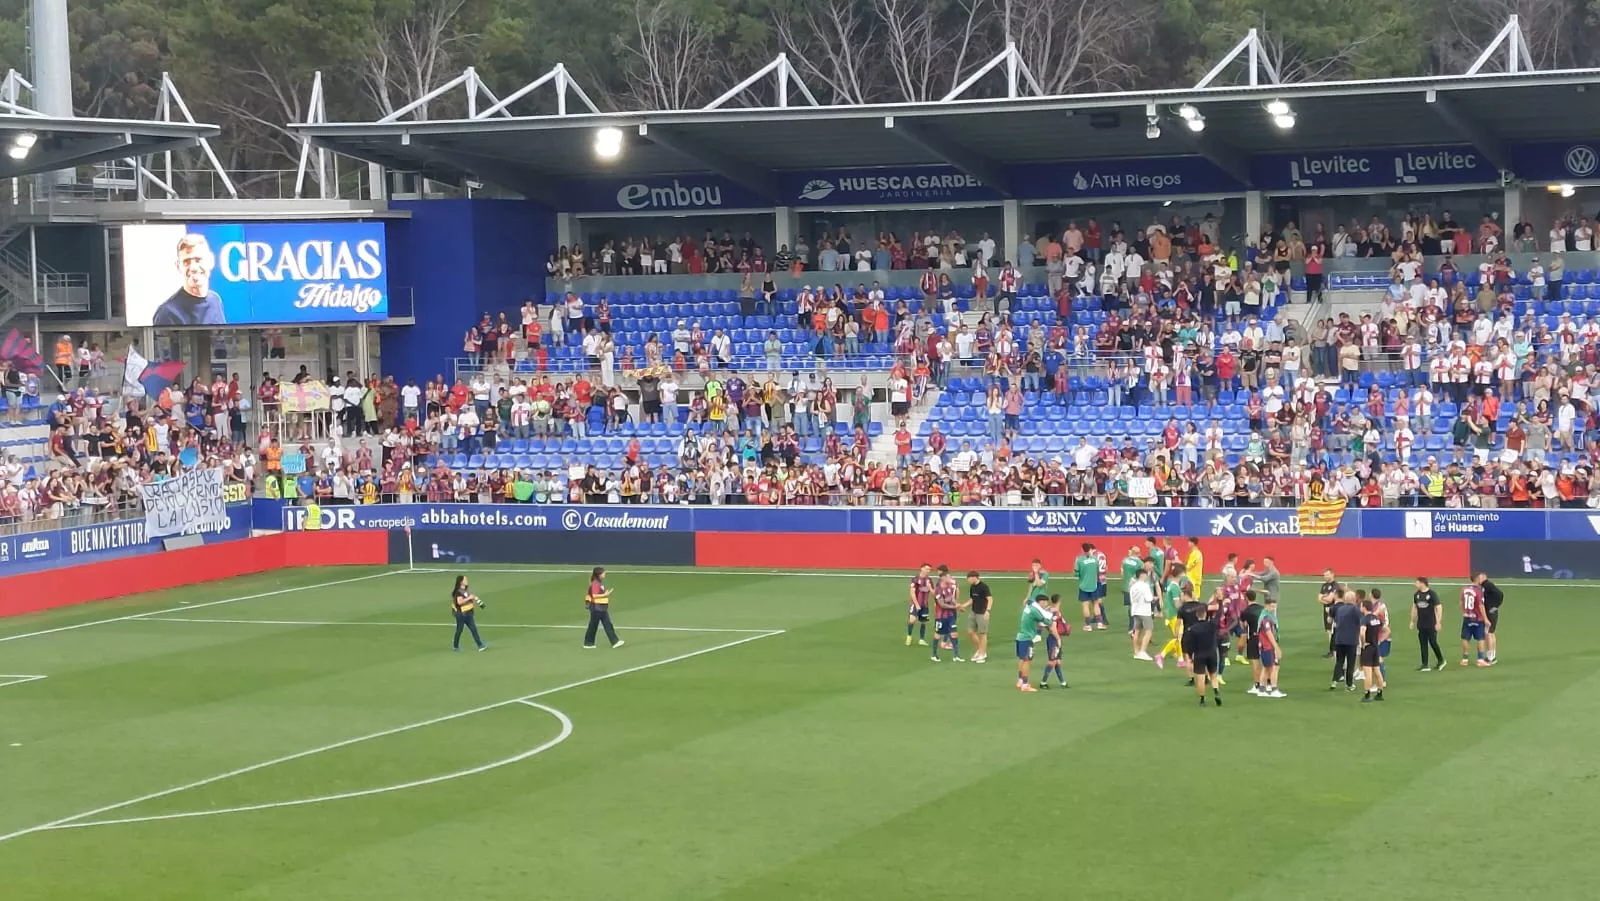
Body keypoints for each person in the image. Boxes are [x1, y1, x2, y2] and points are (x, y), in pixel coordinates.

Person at [150, 233, 227, 326]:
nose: (193, 267)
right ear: (178, 267)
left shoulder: (215, 301)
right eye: (186, 262)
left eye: (198, 260)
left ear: (211, 261)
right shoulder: (167, 314)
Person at [1184, 601, 1223, 707]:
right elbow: (1219, 614)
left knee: (1200, 678)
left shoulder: (1192, 629)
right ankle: (1216, 692)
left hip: (1199, 655)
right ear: (1205, 614)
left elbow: (1189, 645)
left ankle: (1202, 699)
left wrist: (1189, 657)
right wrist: (1220, 602)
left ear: (1197, 616)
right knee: (1213, 675)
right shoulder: (1212, 625)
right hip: (1212, 653)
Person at [1015, 594, 1056, 692]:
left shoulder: (1029, 608)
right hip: (1027, 638)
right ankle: (1025, 684)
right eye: (1045, 602)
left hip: (1020, 637)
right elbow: (1046, 621)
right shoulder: (1035, 611)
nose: (1046, 604)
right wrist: (1053, 617)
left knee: (1021, 659)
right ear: (1041, 602)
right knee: (1027, 661)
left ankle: (1020, 680)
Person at [583, 566, 625, 649]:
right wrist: (605, 594)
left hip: (600, 608)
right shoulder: (595, 583)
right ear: (599, 574)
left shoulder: (597, 583)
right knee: (602, 625)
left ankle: (589, 643)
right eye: (603, 573)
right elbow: (594, 595)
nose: (605, 574)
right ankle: (613, 641)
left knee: (598, 625)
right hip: (597, 608)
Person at [1411, 576, 1446, 671]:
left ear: (1422, 583)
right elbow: (1414, 608)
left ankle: (1441, 660)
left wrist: (1438, 622)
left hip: (1431, 623)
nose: (1415, 584)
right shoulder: (1416, 595)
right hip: (1421, 623)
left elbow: (1439, 607)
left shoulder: (1432, 594)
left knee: (1433, 642)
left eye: (1417, 582)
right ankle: (1425, 664)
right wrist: (1412, 621)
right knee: (1423, 643)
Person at [1329, 590, 1362, 691]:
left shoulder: (1340, 609)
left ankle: (1334, 681)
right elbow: (1361, 621)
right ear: (1354, 599)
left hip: (1339, 639)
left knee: (1339, 661)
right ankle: (1349, 684)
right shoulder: (1355, 609)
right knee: (1350, 663)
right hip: (1351, 640)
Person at [930, 564, 963, 662]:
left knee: (954, 634)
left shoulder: (948, 587)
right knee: (937, 635)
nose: (950, 578)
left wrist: (958, 605)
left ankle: (956, 656)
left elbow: (951, 598)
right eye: (948, 577)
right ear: (943, 578)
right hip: (941, 616)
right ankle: (934, 655)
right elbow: (942, 604)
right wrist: (954, 607)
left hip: (950, 615)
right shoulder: (938, 590)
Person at [1359, 598, 1388, 703]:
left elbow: (1362, 633)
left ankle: (1367, 694)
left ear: (1364, 607)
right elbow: (1386, 630)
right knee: (1377, 671)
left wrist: (1363, 644)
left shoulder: (1365, 619)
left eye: (1361, 606)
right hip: (1376, 647)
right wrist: (1379, 640)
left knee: (1368, 673)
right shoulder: (1376, 619)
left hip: (1368, 647)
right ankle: (1380, 693)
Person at [1039, 594, 1070, 689]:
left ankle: (1062, 682)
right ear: (1059, 601)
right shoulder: (1055, 613)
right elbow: (1053, 628)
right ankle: (1043, 682)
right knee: (1052, 661)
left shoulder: (1048, 609)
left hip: (1053, 637)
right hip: (1054, 639)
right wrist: (1058, 639)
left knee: (1057, 661)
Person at [450, 574, 487, 652]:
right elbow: (459, 602)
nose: (467, 581)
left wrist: (475, 600)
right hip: (461, 614)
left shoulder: (465, 591)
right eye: (465, 580)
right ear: (461, 582)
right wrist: (469, 598)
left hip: (468, 613)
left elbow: (468, 599)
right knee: (459, 630)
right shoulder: (458, 592)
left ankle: (480, 645)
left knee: (473, 629)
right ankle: (455, 646)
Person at [1257, 597, 1285, 698]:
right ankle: (1273, 689)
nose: (1273, 609)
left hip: (1266, 646)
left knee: (1267, 667)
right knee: (1273, 667)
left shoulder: (1266, 616)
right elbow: (1269, 634)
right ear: (1266, 606)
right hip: (1267, 646)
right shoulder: (1266, 619)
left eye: (1275, 606)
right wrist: (1276, 647)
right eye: (1272, 606)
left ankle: (1261, 689)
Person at [1474, 572, 1505, 664]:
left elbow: (1500, 594)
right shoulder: (1485, 586)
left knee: (1488, 634)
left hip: (1490, 613)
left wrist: (1495, 606)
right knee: (1490, 633)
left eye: (1479, 577)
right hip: (1490, 612)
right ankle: (1492, 655)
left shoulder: (1488, 584)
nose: (1478, 579)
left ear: (1483, 577)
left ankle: (1491, 657)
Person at [1460, 579, 1491, 667]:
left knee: (1465, 638)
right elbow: (1481, 605)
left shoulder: (1464, 589)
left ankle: (1464, 659)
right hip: (1478, 618)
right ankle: (1480, 659)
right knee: (1480, 638)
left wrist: (1464, 612)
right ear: (1477, 580)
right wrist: (1485, 619)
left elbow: (1461, 602)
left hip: (1467, 617)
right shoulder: (1478, 590)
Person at [1242, 590, 1266, 694]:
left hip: (1253, 638)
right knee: (1265, 661)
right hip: (1264, 637)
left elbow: (1244, 625)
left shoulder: (1246, 611)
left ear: (1246, 598)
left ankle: (1257, 685)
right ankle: (1267, 683)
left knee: (1255, 662)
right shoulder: (1263, 609)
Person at [1073, 542, 1102, 630]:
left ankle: (1088, 625)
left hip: (1084, 586)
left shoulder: (1079, 560)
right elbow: (1098, 571)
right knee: (1096, 604)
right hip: (1094, 585)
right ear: (1090, 550)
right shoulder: (1095, 559)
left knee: (1085, 605)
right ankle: (1100, 623)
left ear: (1082, 550)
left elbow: (1076, 574)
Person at [965, 570, 993, 664]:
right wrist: (963, 605)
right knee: (970, 632)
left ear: (974, 577)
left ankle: (982, 654)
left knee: (983, 634)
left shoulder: (983, 587)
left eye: (969, 578)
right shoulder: (972, 587)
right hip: (974, 611)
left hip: (982, 612)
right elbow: (972, 599)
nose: (968, 580)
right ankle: (980, 649)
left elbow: (990, 599)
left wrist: (987, 611)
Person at [1129, 569, 1155, 661]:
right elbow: (1149, 598)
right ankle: (1143, 652)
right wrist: (1154, 598)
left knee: (1137, 631)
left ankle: (1136, 652)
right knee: (1149, 631)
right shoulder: (1145, 586)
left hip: (1135, 610)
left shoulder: (1133, 586)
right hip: (1144, 611)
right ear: (1142, 575)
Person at [906, 563, 933, 647]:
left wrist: (930, 588)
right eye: (926, 569)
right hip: (915, 604)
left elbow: (933, 592)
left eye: (929, 569)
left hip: (925, 605)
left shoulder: (929, 580)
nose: (928, 571)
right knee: (912, 620)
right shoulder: (916, 579)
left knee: (923, 622)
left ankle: (921, 639)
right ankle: (909, 636)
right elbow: (912, 592)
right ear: (922, 569)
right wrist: (917, 604)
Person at [1317, 568, 1342, 658]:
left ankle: (1334, 650)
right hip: (1326, 609)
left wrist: (1323, 598)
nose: (1325, 576)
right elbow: (1319, 598)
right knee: (1328, 630)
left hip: (1334, 610)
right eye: (1324, 575)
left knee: (1333, 630)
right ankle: (1332, 649)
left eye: (1327, 574)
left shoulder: (1335, 586)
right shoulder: (1324, 586)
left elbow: (1330, 599)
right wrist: (1324, 598)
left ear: (1332, 574)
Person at [1120, 544, 1144, 634]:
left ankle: (1130, 627)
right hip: (1136, 588)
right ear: (1138, 553)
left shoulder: (1125, 561)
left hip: (1126, 587)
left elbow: (1122, 573)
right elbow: (1141, 576)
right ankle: (1135, 627)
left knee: (1130, 607)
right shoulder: (1140, 563)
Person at [1370, 588, 1392, 679]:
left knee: (1378, 658)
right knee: (1375, 658)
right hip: (1375, 634)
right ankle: (1380, 679)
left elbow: (1385, 624)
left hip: (1378, 634)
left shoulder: (1380, 606)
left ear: (1371, 594)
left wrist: (1381, 638)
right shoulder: (1376, 605)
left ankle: (1382, 680)